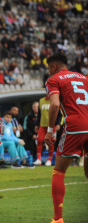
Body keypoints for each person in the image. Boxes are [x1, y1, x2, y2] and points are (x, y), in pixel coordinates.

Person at [44, 52, 88, 223]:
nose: (48, 71)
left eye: (49, 68)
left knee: (59, 170)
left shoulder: (54, 79)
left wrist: (50, 130)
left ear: (53, 66)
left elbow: (54, 104)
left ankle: (58, 219)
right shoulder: (84, 78)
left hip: (76, 125)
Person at [34, 96, 62, 166]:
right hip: (42, 125)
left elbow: (59, 114)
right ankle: (38, 159)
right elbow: (39, 114)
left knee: (51, 142)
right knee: (39, 140)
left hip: (52, 125)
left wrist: (58, 124)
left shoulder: (55, 100)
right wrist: (37, 124)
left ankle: (49, 160)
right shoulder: (41, 100)